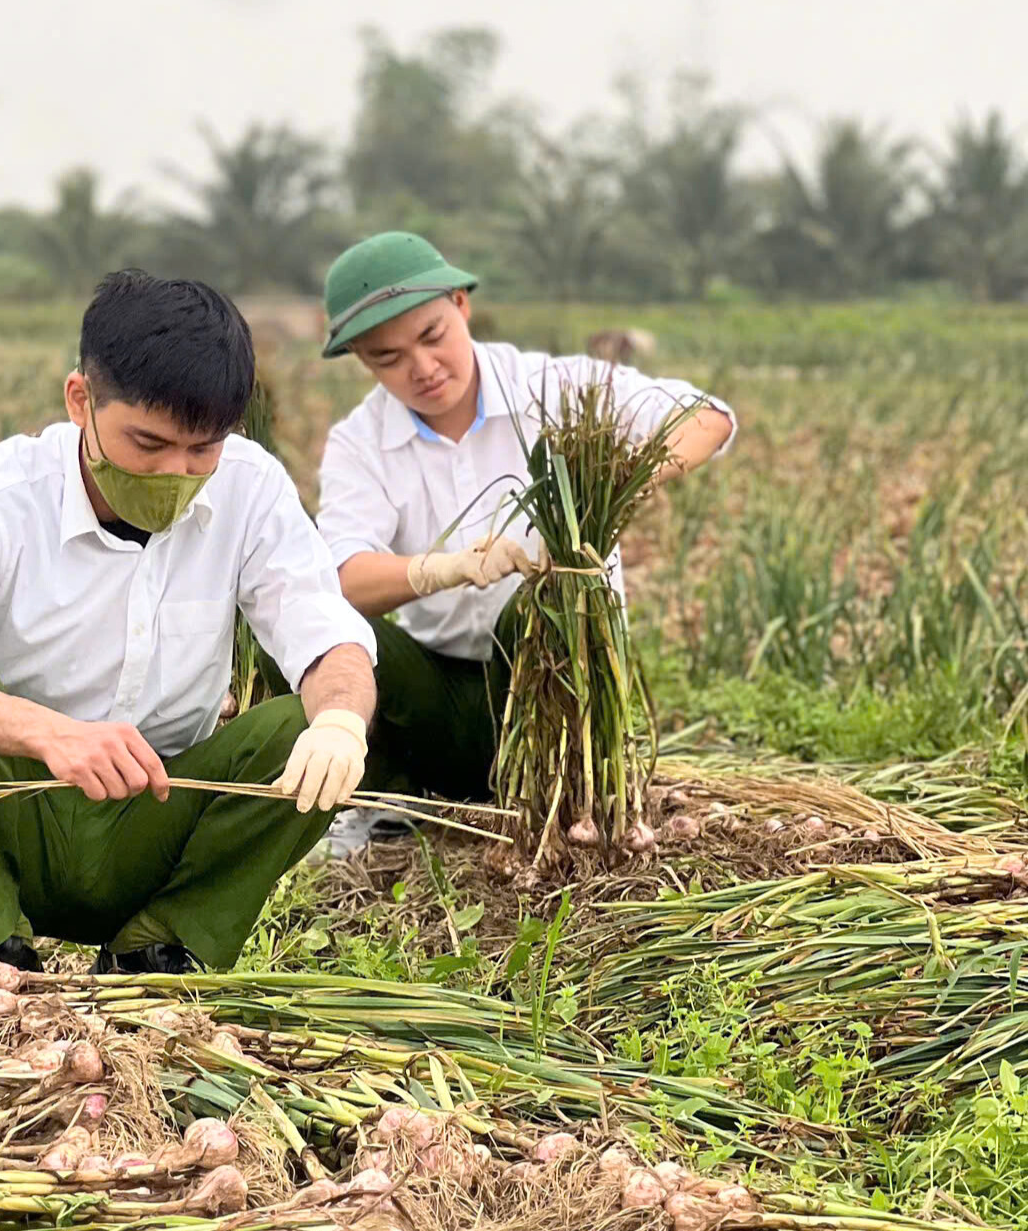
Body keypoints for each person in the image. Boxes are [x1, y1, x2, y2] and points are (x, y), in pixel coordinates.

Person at [0, 271, 379, 975]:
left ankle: (158, 944)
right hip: (7, 816)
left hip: (154, 824)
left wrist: (341, 723)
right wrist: (51, 735)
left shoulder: (250, 486)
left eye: (202, 449)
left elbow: (327, 636)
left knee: (300, 727)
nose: (176, 472)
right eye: (148, 444)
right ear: (81, 400)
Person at [314, 231, 735, 854]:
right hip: (442, 695)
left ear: (461, 305)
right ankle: (387, 797)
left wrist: (622, 481)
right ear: (360, 359)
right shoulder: (360, 443)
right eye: (388, 357)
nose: (422, 368)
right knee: (317, 633)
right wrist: (440, 570)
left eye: (432, 336)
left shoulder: (554, 387)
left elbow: (708, 417)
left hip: (557, 686)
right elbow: (341, 579)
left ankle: (570, 796)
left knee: (539, 602)